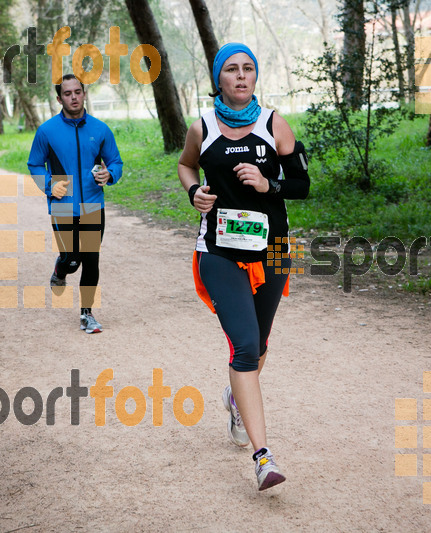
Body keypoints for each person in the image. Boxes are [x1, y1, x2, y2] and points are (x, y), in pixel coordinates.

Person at [178, 43, 310, 491]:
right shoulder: (202, 127)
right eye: (231, 70)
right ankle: (263, 457)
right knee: (246, 346)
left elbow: (302, 184)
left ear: (256, 76)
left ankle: (235, 398)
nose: (240, 76)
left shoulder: (275, 124)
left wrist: (268, 182)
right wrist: (194, 191)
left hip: (272, 248)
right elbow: (184, 165)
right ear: (219, 79)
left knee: (262, 339)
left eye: (248, 69)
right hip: (220, 250)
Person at [27, 74, 123, 333]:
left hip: (93, 205)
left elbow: (115, 162)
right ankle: (60, 269)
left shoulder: (100, 129)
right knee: (72, 259)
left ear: (84, 94)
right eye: (67, 93)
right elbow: (34, 164)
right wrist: (49, 185)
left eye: (77, 92)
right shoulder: (47, 131)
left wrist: (109, 174)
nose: (73, 97)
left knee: (91, 260)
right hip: (62, 206)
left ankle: (86, 313)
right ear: (59, 98)